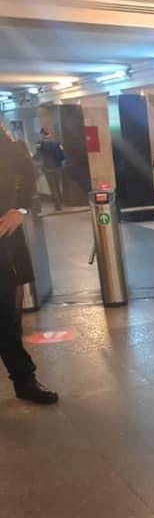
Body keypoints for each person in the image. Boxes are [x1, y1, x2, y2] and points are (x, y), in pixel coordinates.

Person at [0, 128, 59, 404]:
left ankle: (24, 380)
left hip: (3, 238)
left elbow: (26, 172)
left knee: (5, 315)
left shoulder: (7, 143)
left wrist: (20, 209)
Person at [35, 127, 66, 211]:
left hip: (47, 168)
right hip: (57, 167)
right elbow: (62, 154)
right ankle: (60, 202)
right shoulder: (57, 142)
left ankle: (57, 205)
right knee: (58, 185)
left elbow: (38, 155)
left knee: (52, 187)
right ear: (50, 133)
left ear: (42, 134)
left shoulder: (40, 143)